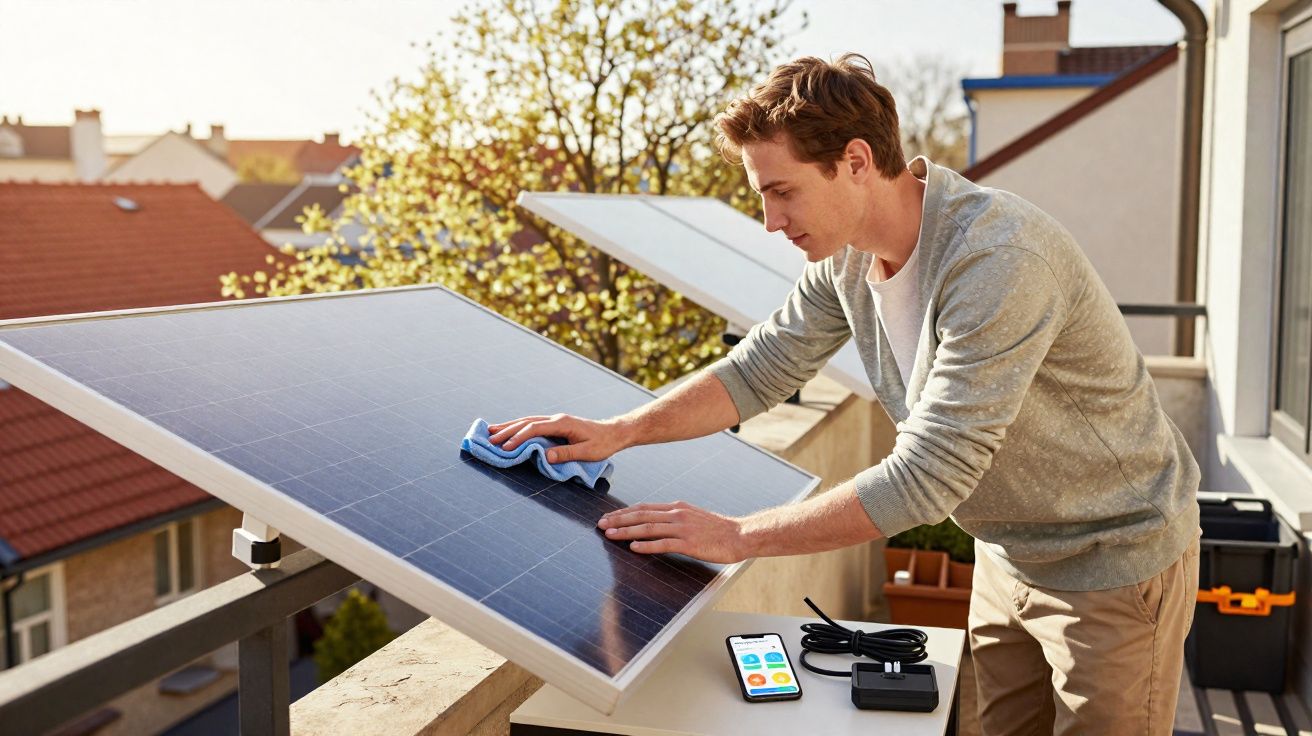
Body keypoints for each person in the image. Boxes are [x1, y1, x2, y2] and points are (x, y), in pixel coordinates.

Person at [489, 53, 1200, 736]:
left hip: (1113, 560)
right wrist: (620, 432)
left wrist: (738, 537)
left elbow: (927, 478)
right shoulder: (848, 259)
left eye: (782, 191)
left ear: (855, 162)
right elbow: (758, 369)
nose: (770, 220)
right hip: (1007, 554)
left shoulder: (996, 260)